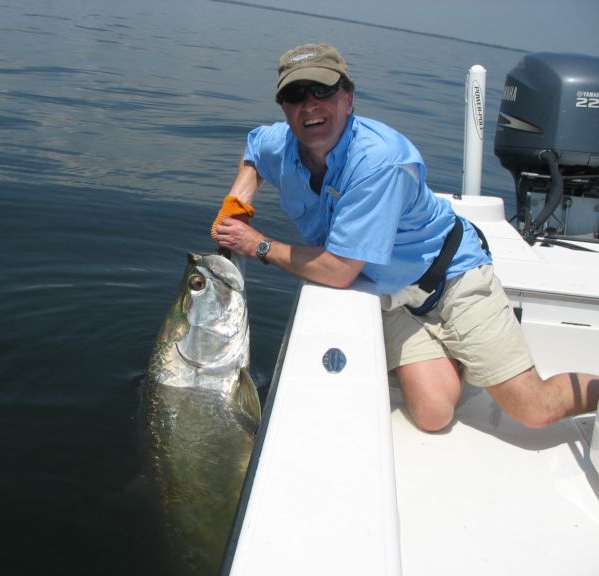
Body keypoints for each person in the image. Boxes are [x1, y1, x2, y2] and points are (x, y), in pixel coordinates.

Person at [211, 43, 598, 432]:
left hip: (452, 277)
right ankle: (460, 353)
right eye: (295, 95)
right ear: (283, 107)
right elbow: (255, 149)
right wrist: (237, 202)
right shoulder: (282, 144)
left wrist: (257, 245)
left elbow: (341, 270)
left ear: (348, 98)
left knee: (534, 409)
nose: (310, 105)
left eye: (323, 91)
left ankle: (480, 346)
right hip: (392, 294)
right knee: (433, 416)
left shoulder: (380, 162)